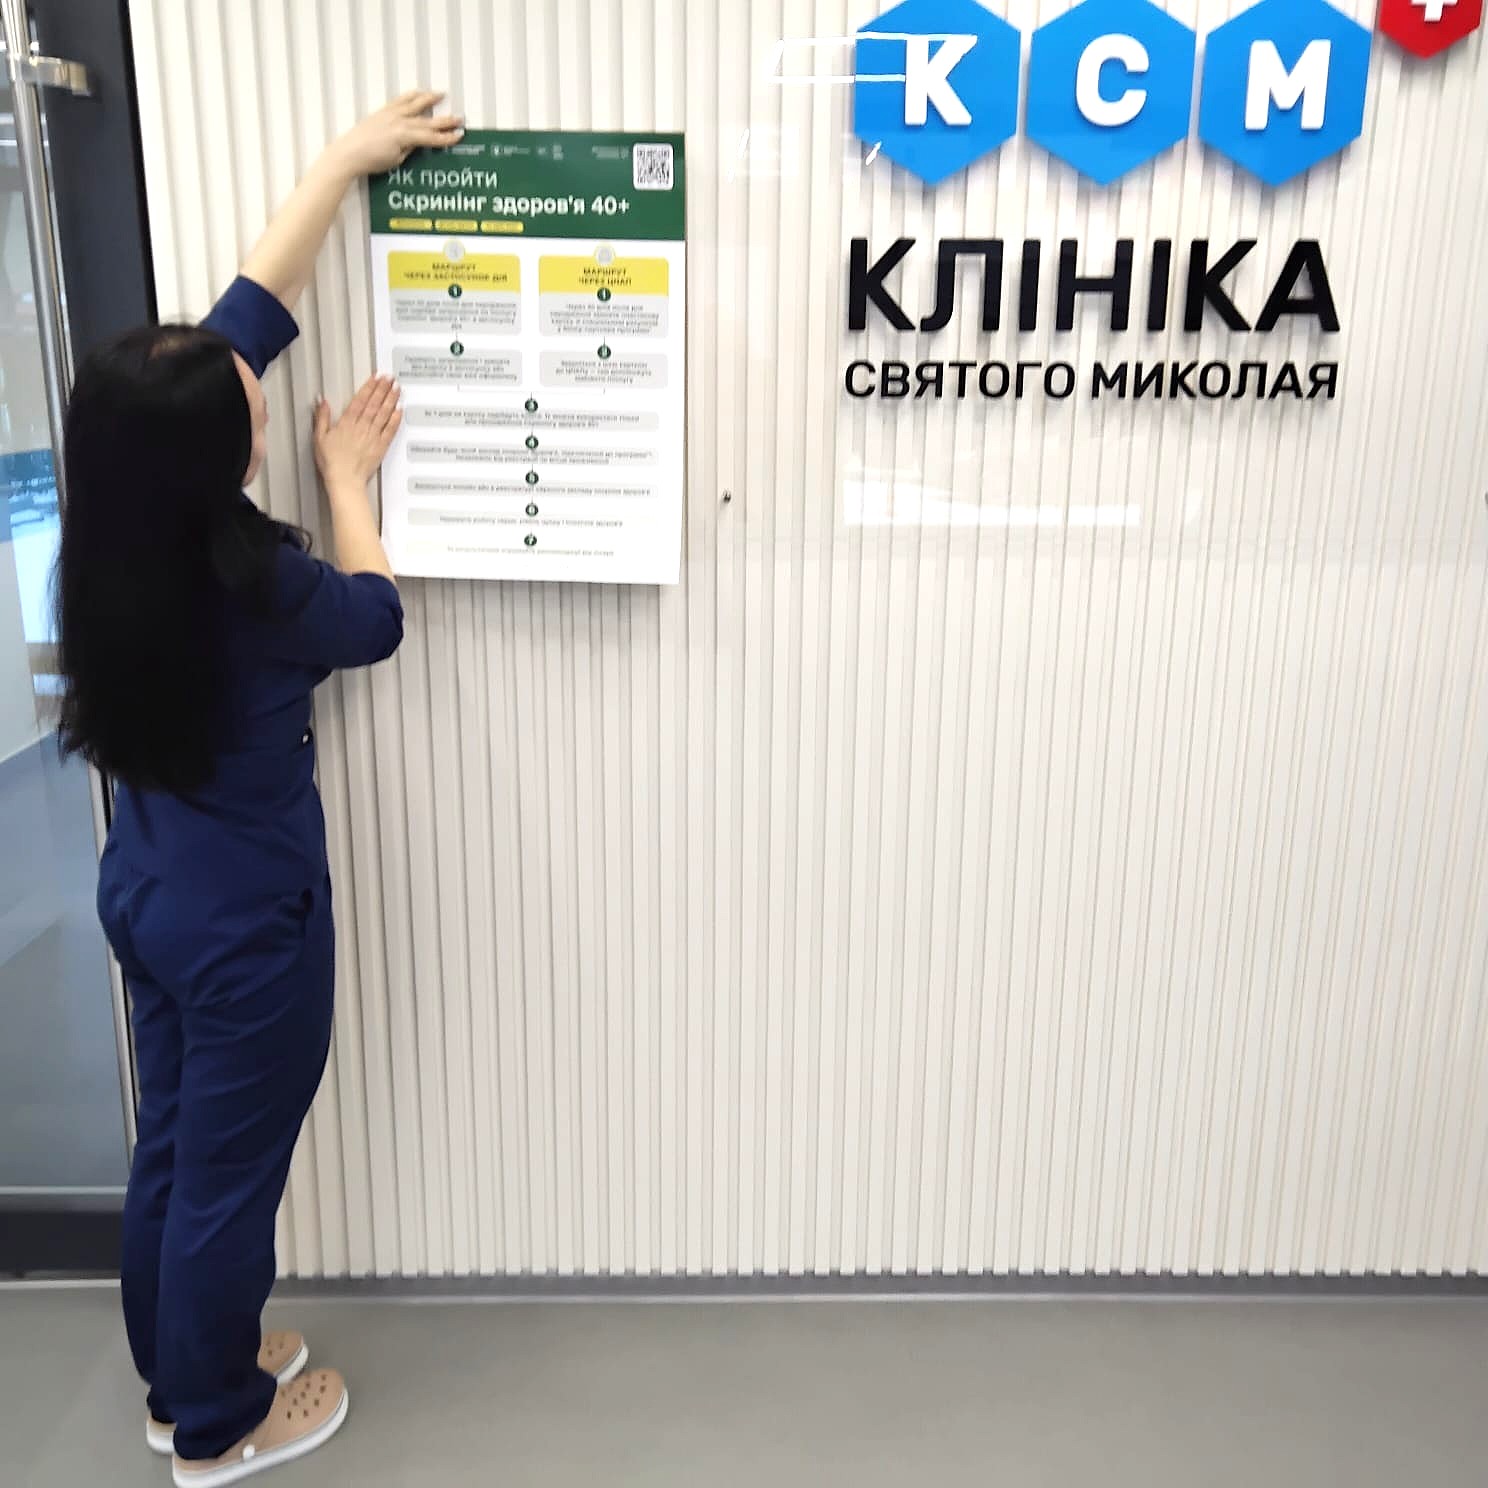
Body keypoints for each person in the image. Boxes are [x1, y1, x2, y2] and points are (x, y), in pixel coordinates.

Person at [54, 92, 462, 1486]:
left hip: (149, 896)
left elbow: (249, 309)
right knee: (228, 1179)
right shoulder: (258, 586)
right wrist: (349, 480)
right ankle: (219, 1427)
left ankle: (177, 1378)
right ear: (214, 459)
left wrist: (343, 164)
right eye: (249, 407)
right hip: (246, 932)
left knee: (175, 1149)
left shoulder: (112, 538)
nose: (263, 390)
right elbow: (376, 618)